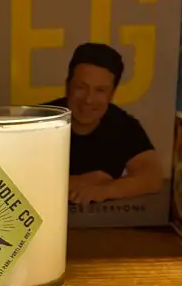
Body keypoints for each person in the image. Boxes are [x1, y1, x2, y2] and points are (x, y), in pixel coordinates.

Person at [47, 42, 163, 205]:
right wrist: (79, 181)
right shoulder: (39, 120)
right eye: (81, 87)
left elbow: (153, 178)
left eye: (100, 90)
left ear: (112, 94)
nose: (88, 100)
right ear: (68, 86)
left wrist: (103, 190)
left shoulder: (124, 126)